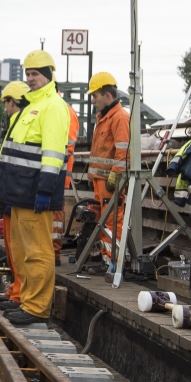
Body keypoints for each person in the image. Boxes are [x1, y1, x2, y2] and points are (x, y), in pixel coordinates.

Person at [0, 50, 69, 326]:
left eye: (35, 74)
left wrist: (45, 191)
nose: (30, 79)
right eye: (28, 74)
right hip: (19, 192)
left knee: (38, 251)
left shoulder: (53, 106)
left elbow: (53, 154)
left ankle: (37, 306)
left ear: (48, 74)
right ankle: (27, 300)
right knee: (23, 251)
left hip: (35, 193)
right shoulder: (31, 108)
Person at [87, 72, 130, 263]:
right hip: (101, 181)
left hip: (110, 182)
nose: (92, 100)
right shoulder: (104, 117)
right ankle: (107, 258)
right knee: (104, 221)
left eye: (94, 96)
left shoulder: (119, 117)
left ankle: (113, 261)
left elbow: (123, 151)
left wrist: (116, 176)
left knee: (113, 220)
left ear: (107, 95)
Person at [0, 81, 30, 311]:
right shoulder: (16, 123)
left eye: (6, 102)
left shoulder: (21, 123)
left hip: (16, 194)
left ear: (11, 101)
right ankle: (15, 291)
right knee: (13, 249)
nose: (5, 107)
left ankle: (19, 295)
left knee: (19, 250)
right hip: (12, 193)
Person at [52, 93, 81, 264]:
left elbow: (68, 144)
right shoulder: (57, 107)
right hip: (51, 171)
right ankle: (49, 253)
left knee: (54, 215)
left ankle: (53, 253)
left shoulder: (62, 108)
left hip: (56, 172)